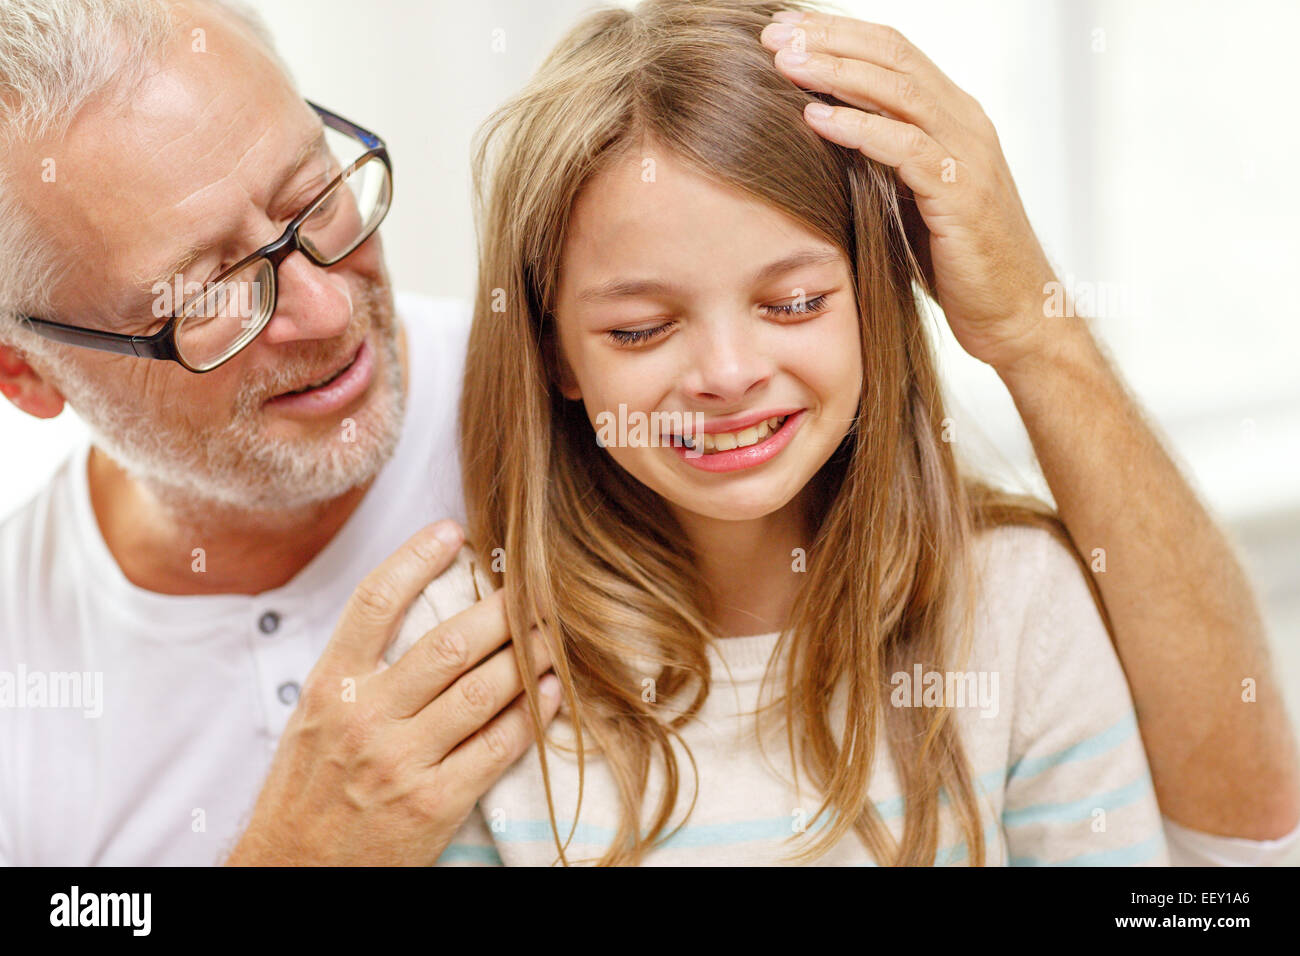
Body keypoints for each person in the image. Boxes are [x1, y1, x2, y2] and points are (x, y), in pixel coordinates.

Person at [0, 0, 1294, 866]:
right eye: (207, 295)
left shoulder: (1002, 608)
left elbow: (1234, 851)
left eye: (314, 198)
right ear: (29, 373)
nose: (330, 308)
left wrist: (1037, 332)